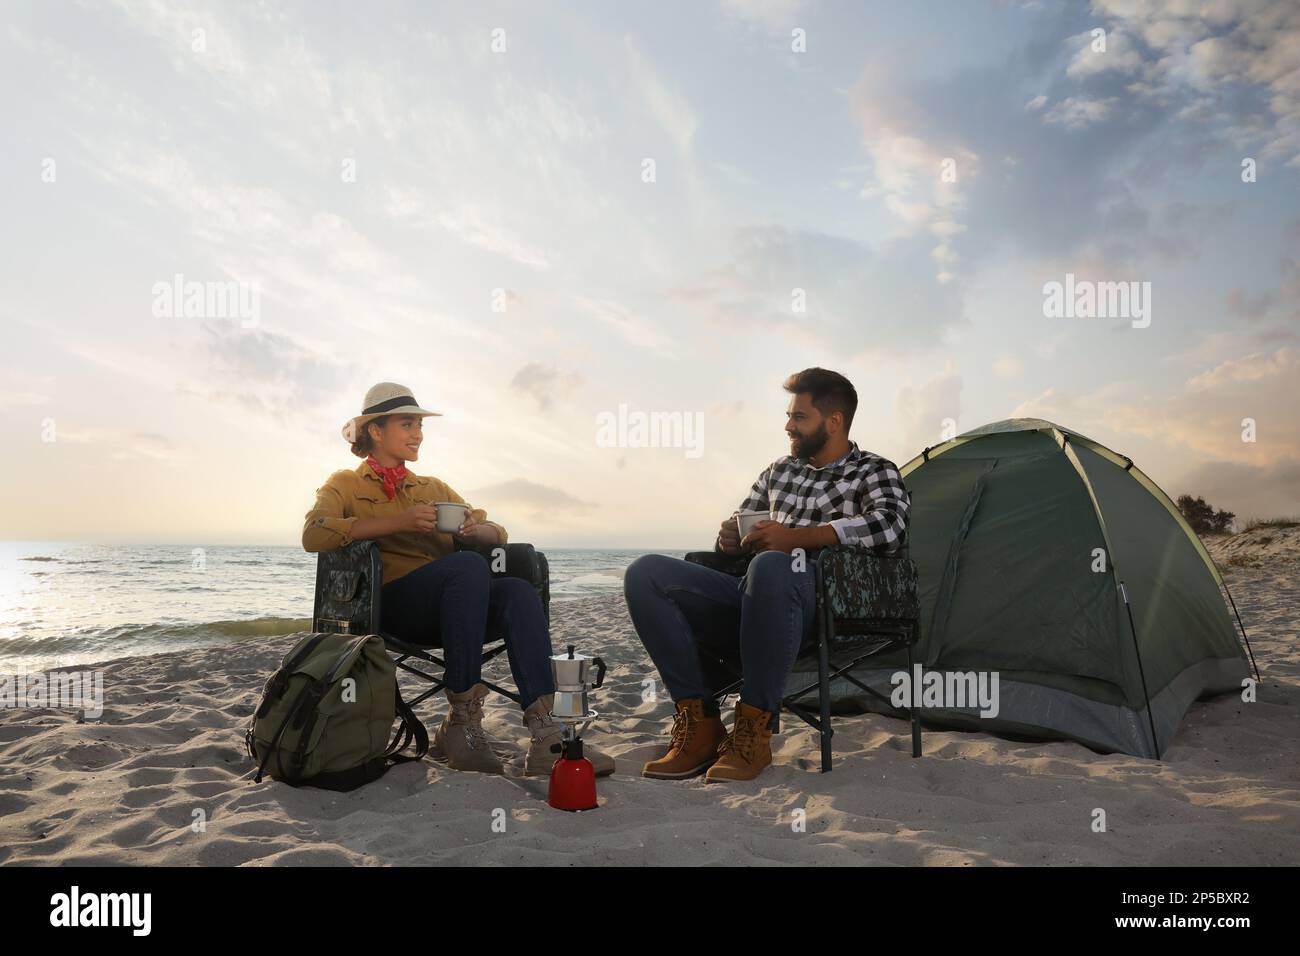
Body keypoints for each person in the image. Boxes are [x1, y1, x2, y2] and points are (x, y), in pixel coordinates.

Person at [302, 382, 614, 777]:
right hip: (389, 607)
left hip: (455, 609)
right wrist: (396, 522)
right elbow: (314, 533)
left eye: (419, 424)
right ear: (375, 431)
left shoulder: (433, 488)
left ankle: (546, 730)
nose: (418, 433)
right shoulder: (344, 483)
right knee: (466, 569)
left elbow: (495, 530)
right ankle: (463, 721)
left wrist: (472, 531)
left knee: (516, 590)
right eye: (407, 424)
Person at [623, 368, 910, 783]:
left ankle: (753, 731)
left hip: (826, 603)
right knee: (646, 572)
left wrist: (798, 539)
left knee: (776, 563)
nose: (788, 426)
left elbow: (890, 526)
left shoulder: (874, 471)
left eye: (799, 417)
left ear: (834, 422)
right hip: (754, 592)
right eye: (789, 416)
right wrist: (730, 539)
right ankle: (700, 723)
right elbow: (746, 523)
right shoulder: (779, 471)